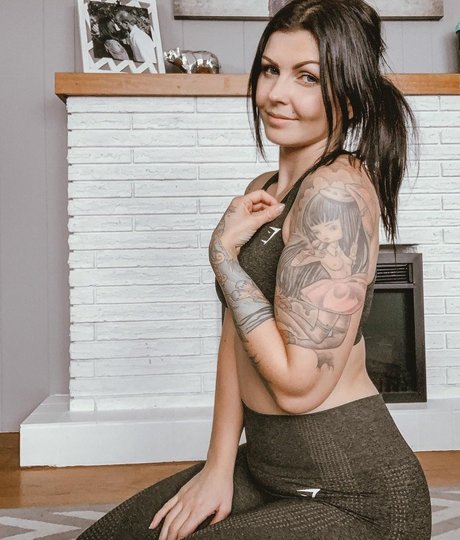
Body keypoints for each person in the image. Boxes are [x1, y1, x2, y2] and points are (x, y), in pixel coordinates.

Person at [77, 0, 432, 538]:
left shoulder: (336, 192)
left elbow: (297, 388)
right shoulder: (263, 190)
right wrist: (217, 469)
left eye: (307, 77)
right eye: (270, 70)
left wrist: (223, 257)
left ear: (349, 97)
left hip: (355, 496)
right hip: (266, 468)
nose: (275, 94)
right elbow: (234, 340)